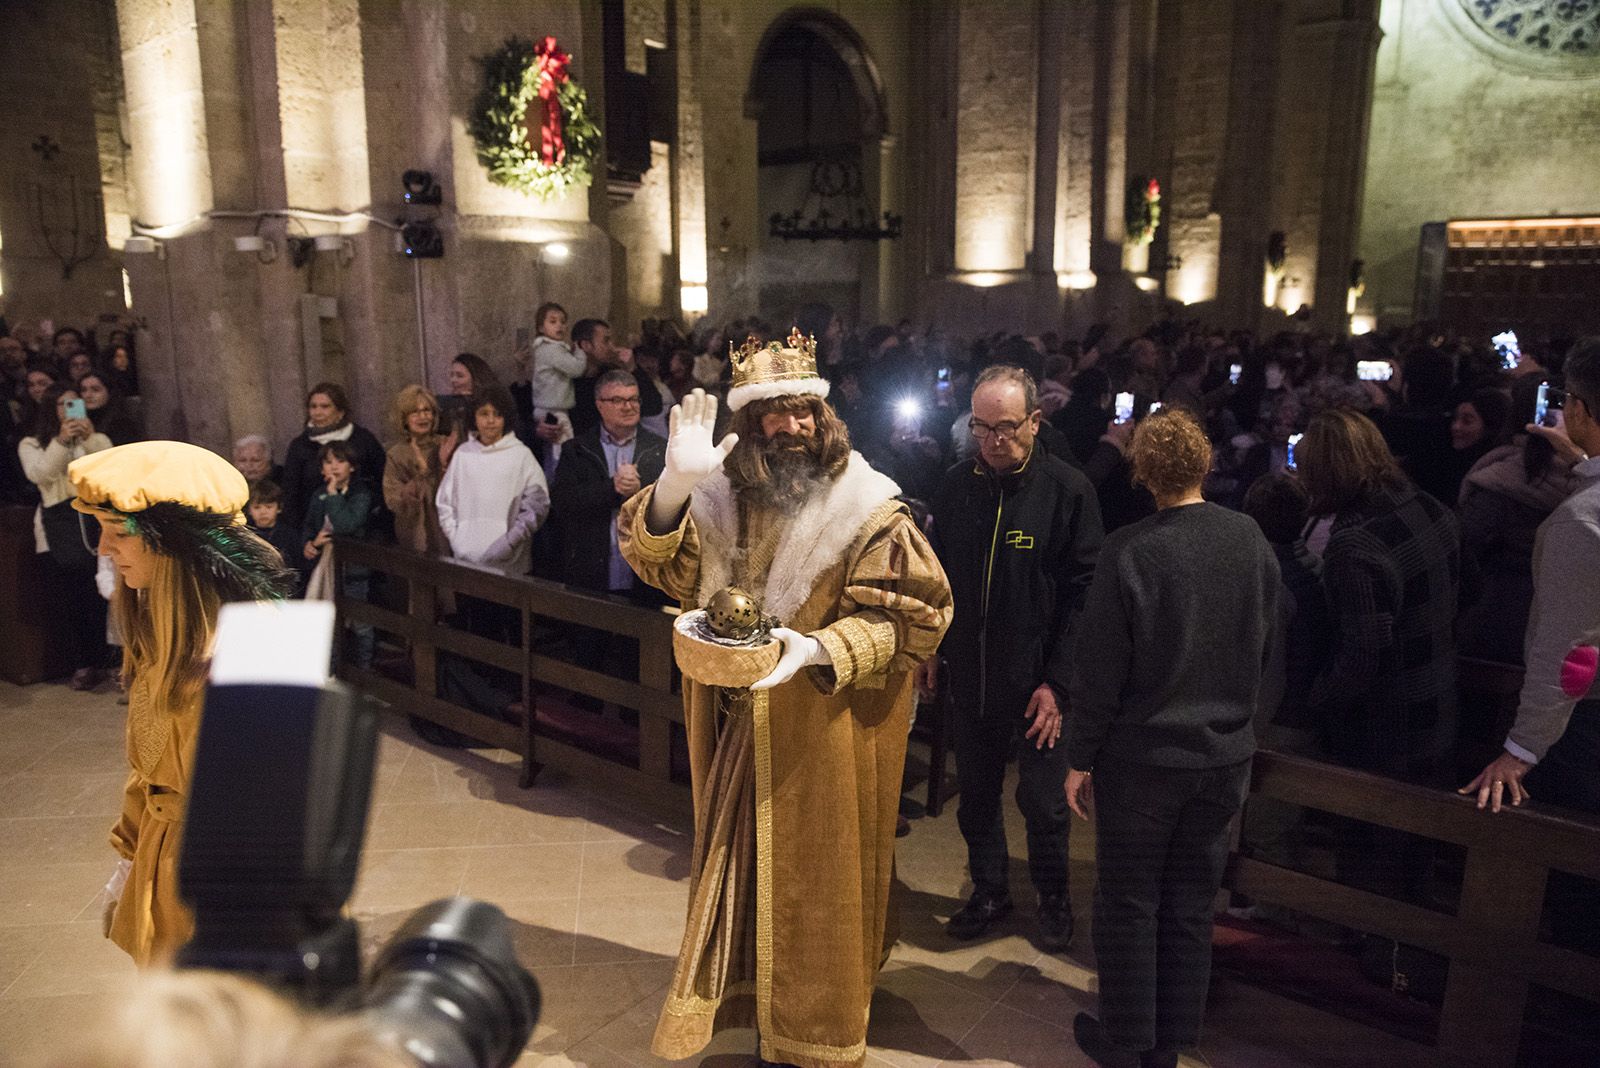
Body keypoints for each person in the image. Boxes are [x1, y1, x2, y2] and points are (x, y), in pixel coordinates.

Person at [618, 331, 952, 1068]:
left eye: (805, 412)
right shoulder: (722, 496)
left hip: (820, 728)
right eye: (775, 413)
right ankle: (749, 1009)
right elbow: (656, 565)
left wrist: (819, 649)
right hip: (736, 725)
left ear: (825, 418)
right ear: (749, 426)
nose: (793, 426)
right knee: (739, 872)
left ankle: (811, 1035)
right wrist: (674, 487)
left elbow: (917, 615)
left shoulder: (867, 507)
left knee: (817, 885)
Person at [1065, 408, 1279, 1068]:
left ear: (1142, 473)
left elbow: (1100, 669)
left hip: (1143, 763)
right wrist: (1247, 727)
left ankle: (1127, 1045)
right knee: (1190, 906)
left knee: (1128, 904)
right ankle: (1169, 1050)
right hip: (1223, 760)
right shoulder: (1248, 538)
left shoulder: (1131, 550)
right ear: (1206, 464)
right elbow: (1270, 643)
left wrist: (1079, 758)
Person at [67, 440, 295, 965]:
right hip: (163, 862)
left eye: (118, 532)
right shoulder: (159, 641)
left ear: (178, 548)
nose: (104, 549)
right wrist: (128, 864)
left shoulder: (254, 656)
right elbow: (149, 775)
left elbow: (279, 819)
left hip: (226, 897)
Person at [925, 365, 1102, 950]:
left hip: (1040, 685)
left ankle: (1053, 898)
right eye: (981, 428)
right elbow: (939, 577)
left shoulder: (1068, 490)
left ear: (1034, 420)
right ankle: (990, 889)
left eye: (1006, 427)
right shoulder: (956, 484)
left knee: (1044, 803)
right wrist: (930, 645)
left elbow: (1085, 598)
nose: (994, 441)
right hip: (972, 675)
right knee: (974, 795)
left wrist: (1059, 682)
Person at [1461, 339, 1600, 956]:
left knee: (1575, 894)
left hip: (1587, 726)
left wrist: (1522, 749)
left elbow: (1573, 654)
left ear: (1581, 408)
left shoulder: (1580, 521)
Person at [1298, 408, 1460, 903]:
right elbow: (1470, 590)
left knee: (1372, 862)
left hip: (1385, 727)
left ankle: (1376, 957)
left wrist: (1314, 704)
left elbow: (1362, 656)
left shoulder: (1354, 545)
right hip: (1439, 703)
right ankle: (1403, 960)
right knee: (1414, 859)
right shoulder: (1430, 505)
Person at [19, 384, 115, 688]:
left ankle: (110, 660)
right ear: (51, 409)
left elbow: (110, 471)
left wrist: (89, 440)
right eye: (62, 404)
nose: (69, 409)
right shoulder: (32, 444)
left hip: (93, 521)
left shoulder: (96, 438)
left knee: (102, 594)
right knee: (70, 597)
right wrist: (61, 441)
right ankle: (83, 663)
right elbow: (41, 475)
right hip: (58, 526)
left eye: (74, 403)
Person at [550, 369, 666, 595]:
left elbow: (673, 509)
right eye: (617, 400)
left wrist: (639, 492)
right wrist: (611, 488)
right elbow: (562, 503)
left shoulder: (659, 449)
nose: (628, 406)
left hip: (644, 573)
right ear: (599, 405)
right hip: (591, 569)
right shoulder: (577, 450)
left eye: (633, 399)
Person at [435, 385, 549, 575]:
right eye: (484, 413)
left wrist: (510, 542)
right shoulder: (463, 454)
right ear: (474, 417)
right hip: (465, 560)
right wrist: (456, 539)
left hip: (509, 562)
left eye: (497, 415)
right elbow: (445, 502)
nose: (490, 421)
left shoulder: (520, 455)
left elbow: (538, 504)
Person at [279, 383, 386, 535]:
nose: (317, 412)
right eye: (313, 406)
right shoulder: (300, 445)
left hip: (362, 527)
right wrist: (304, 535)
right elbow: (290, 492)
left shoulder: (362, 440)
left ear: (340, 412)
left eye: (325, 406)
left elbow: (381, 477)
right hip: (314, 529)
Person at [302, 441, 375, 664]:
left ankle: (365, 670)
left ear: (351, 466)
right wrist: (309, 542)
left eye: (340, 461)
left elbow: (346, 524)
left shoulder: (361, 494)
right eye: (328, 462)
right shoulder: (319, 494)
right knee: (327, 622)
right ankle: (331, 670)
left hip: (353, 569)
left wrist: (334, 495)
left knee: (360, 623)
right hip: (325, 564)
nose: (334, 467)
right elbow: (309, 524)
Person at [382, 384, 449, 558]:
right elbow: (393, 498)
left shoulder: (446, 445)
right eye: (415, 412)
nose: (423, 416)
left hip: (445, 527)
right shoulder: (396, 454)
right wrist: (421, 474)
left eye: (427, 410)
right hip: (413, 529)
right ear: (404, 418)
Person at [525, 301, 585, 452]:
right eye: (553, 321)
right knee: (565, 450)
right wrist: (580, 352)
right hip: (554, 410)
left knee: (552, 452)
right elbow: (576, 369)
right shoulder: (552, 350)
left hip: (545, 407)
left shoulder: (544, 348)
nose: (559, 325)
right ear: (540, 327)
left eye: (563, 322)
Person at [78, 370, 143, 445]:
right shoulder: (80, 420)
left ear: (109, 392)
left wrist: (92, 437)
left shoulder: (122, 424)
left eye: (95, 390)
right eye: (84, 390)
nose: (88, 395)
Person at [245, 479, 299, 565]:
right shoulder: (245, 535)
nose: (263, 512)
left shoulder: (290, 536)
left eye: (269, 507)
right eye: (257, 507)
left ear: (279, 508)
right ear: (249, 510)